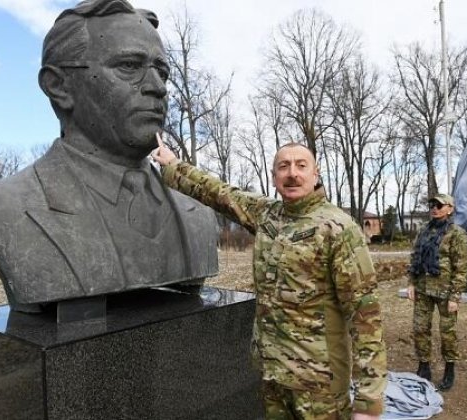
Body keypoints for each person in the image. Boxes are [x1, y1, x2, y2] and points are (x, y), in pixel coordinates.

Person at [0, 0, 218, 312]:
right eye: (128, 66)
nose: (158, 88)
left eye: (162, 72)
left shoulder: (199, 215)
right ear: (59, 86)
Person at [151, 135, 386, 419]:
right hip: (271, 374)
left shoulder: (338, 228)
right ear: (274, 176)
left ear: (316, 173)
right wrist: (173, 164)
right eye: (283, 166)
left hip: (318, 385)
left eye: (301, 165)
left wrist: (369, 401)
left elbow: (365, 315)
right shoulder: (266, 215)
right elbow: (219, 193)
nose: (292, 173)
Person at [407, 194, 467, 391]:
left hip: (445, 291)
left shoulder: (456, 233)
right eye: (432, 205)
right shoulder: (424, 230)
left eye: (439, 205)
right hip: (424, 288)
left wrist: (455, 296)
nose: (434, 208)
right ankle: (424, 366)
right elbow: (415, 257)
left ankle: (449, 368)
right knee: (420, 329)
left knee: (447, 333)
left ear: (449, 208)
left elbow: (461, 267)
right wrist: (411, 283)